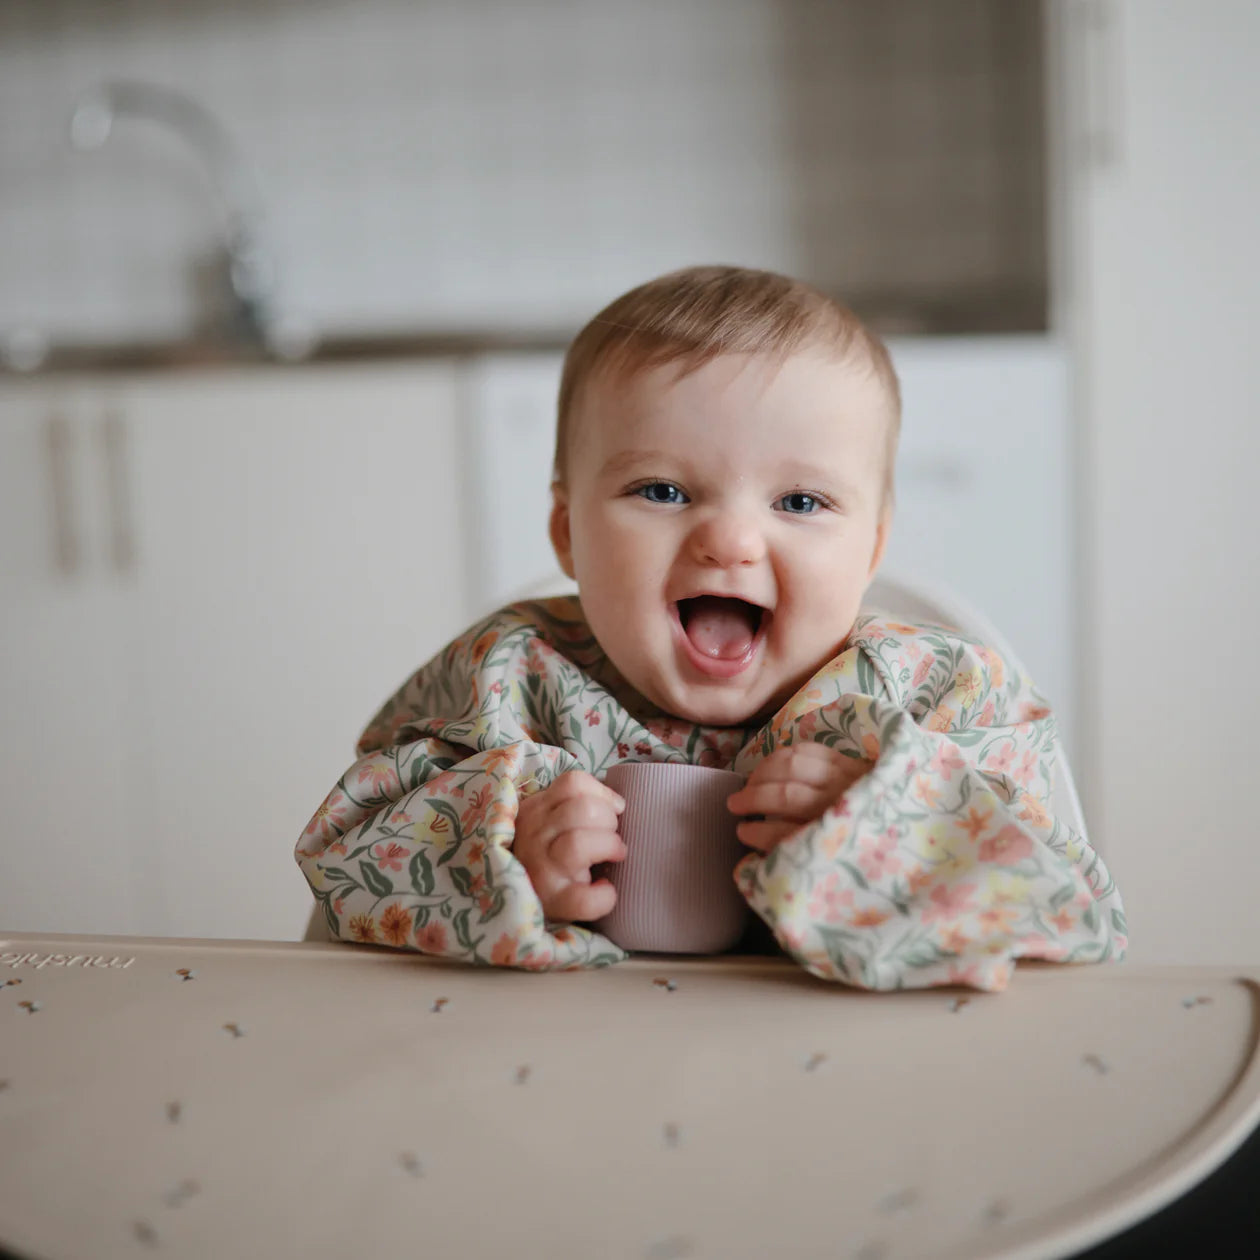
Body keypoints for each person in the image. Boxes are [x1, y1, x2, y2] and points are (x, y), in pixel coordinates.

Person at [295, 265, 1126, 991]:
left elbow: (1068, 911)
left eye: (799, 501)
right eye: (662, 491)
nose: (730, 541)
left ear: (871, 550)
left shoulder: (933, 697)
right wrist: (504, 850)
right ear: (568, 534)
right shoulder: (510, 676)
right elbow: (345, 862)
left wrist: (882, 825)